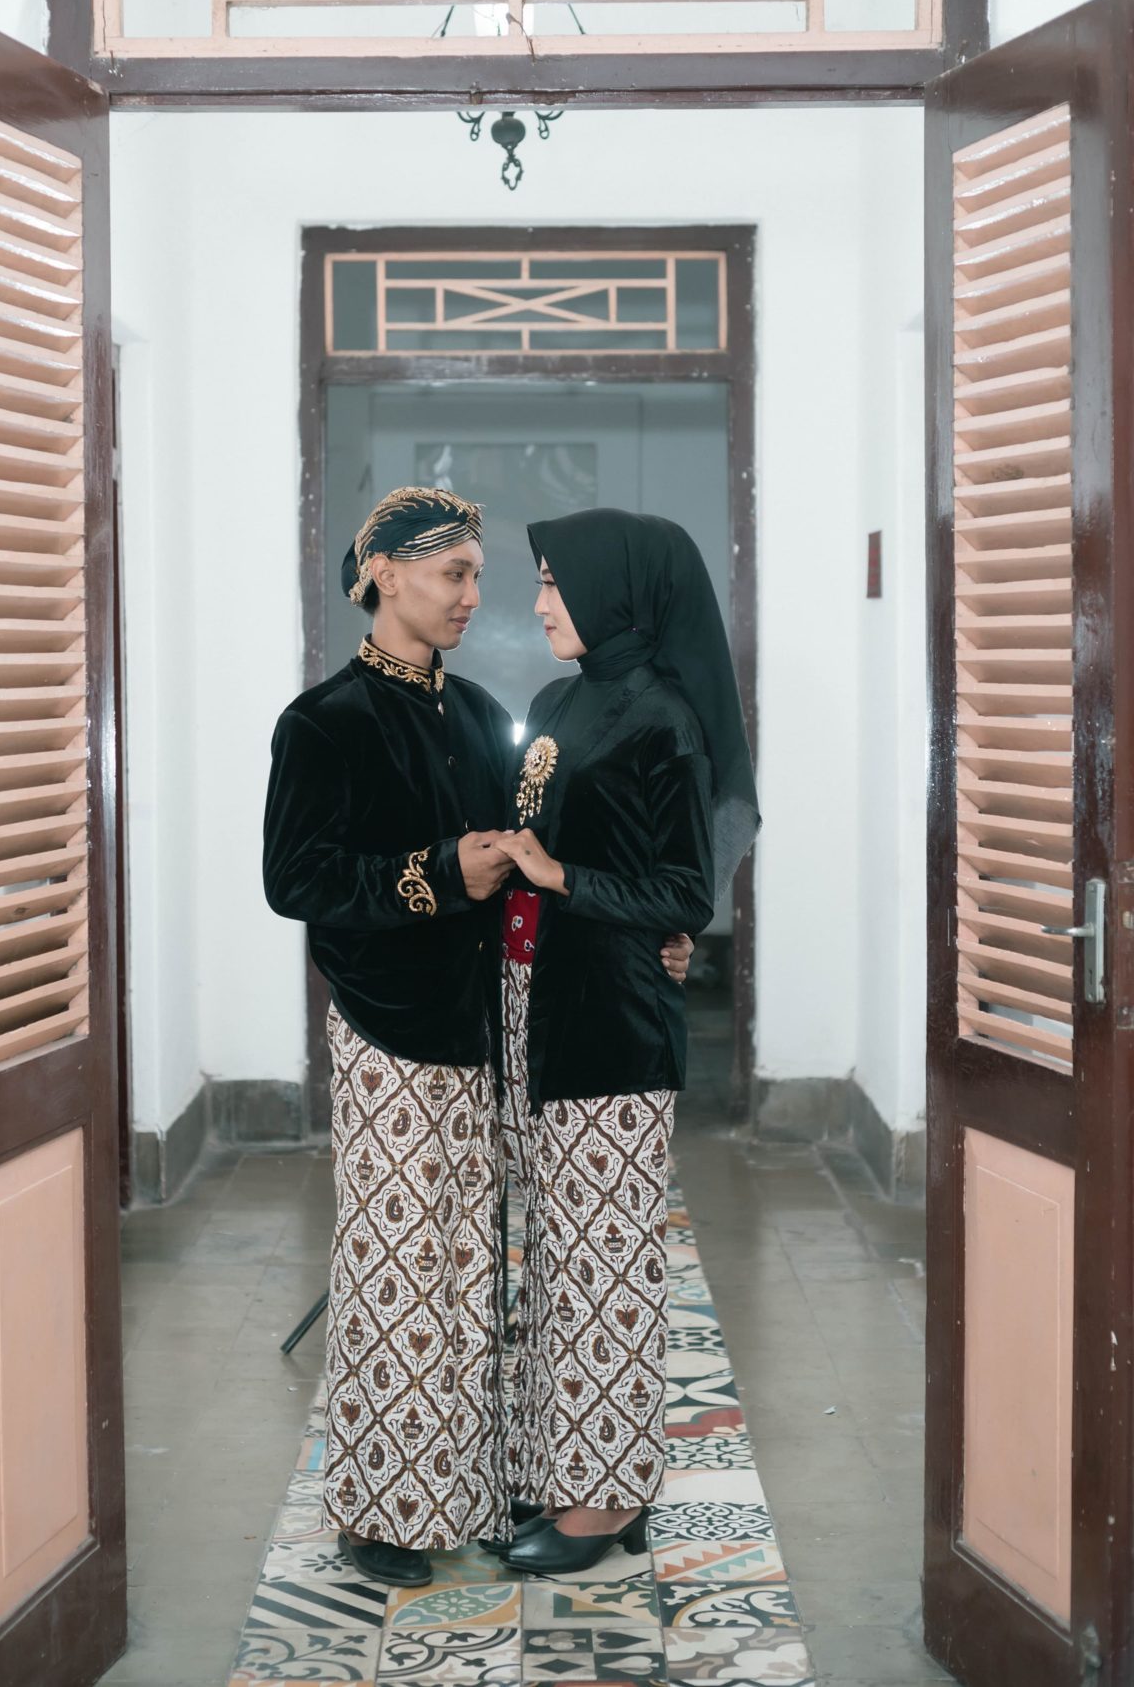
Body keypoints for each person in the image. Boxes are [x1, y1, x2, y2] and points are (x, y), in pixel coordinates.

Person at [262, 487, 696, 1586]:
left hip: (494, 1028)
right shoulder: (322, 722)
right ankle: (380, 1511)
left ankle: (462, 1483)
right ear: (384, 572)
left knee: (471, 1271)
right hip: (391, 1028)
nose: (472, 596)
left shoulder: (478, 714)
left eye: (477, 576)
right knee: (395, 1266)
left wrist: (653, 925)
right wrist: (433, 875)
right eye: (453, 573)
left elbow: (551, 846)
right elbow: (296, 880)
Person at [489, 508, 760, 1577]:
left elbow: (683, 892)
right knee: (558, 1256)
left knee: (606, 1265)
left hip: (612, 1021)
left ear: (614, 593)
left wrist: (558, 876)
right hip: (537, 1001)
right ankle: (572, 1470)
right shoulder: (558, 702)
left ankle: (602, 1504)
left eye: (556, 583)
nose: (539, 603)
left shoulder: (662, 721)